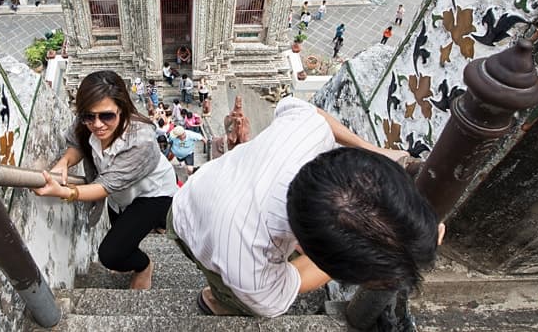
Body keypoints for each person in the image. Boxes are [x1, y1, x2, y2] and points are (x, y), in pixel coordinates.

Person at [169, 97, 441, 317]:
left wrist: (369, 147)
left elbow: (313, 114)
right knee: (231, 296)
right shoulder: (250, 269)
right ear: (304, 250)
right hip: (191, 221)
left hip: (207, 185)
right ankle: (216, 302)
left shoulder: (304, 132)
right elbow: (295, 279)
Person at [33, 70, 177, 290]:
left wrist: (64, 192)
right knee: (121, 236)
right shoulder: (87, 121)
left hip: (153, 193)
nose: (97, 124)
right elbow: (77, 144)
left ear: (123, 109)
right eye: (89, 116)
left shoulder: (142, 140)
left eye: (106, 116)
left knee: (111, 254)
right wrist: (64, 163)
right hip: (119, 196)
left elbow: (105, 186)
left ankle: (144, 265)